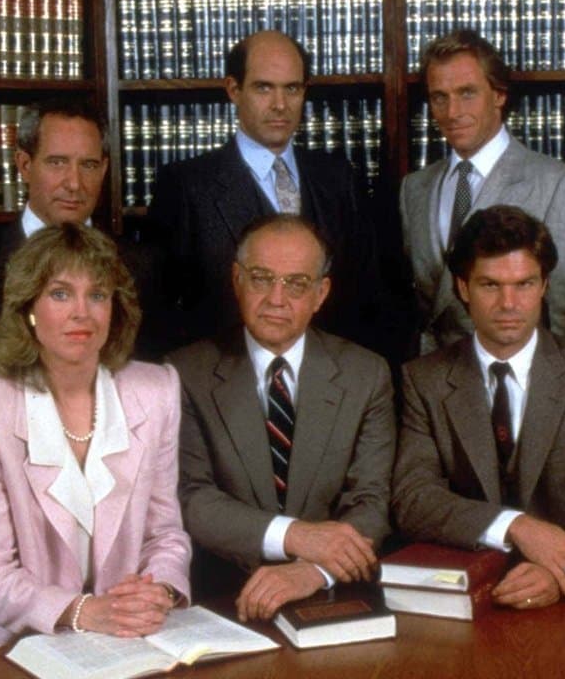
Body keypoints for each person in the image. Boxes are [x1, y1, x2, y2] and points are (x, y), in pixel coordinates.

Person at [0, 224, 190, 670]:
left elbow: (165, 533)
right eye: (60, 294)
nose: (82, 313)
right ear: (28, 309)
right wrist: (85, 612)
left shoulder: (157, 390)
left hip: (127, 639)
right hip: (11, 647)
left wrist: (158, 590)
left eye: (97, 295)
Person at [0, 96, 159, 525]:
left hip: (113, 495)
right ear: (24, 165)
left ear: (104, 169)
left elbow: (146, 395)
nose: (74, 183)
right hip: (2, 496)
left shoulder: (139, 265)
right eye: (57, 163)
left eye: (88, 165)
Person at [392, 205, 565, 609]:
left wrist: (563, 573)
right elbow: (413, 499)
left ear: (544, 286)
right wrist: (515, 526)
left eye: (524, 284)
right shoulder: (424, 379)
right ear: (463, 288)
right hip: (463, 593)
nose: (509, 303)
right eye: (490, 285)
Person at [168, 215, 395, 622]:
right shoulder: (185, 373)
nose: (276, 299)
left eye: (296, 284)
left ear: (321, 293)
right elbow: (191, 497)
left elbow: (371, 502)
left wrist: (313, 570)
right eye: (261, 278)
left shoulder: (366, 374)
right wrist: (296, 536)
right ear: (237, 280)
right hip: (221, 599)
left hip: (332, 596)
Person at [147, 30, 391, 358]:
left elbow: (369, 297)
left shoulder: (338, 177)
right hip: (226, 376)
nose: (280, 105)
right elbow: (162, 312)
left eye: (292, 89)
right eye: (264, 88)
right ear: (234, 90)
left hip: (330, 377)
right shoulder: (185, 185)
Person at [400, 29, 565, 354]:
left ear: (499, 95)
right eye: (439, 97)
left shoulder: (559, 183)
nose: (452, 112)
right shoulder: (414, 188)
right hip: (435, 375)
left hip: (525, 375)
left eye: (467, 93)